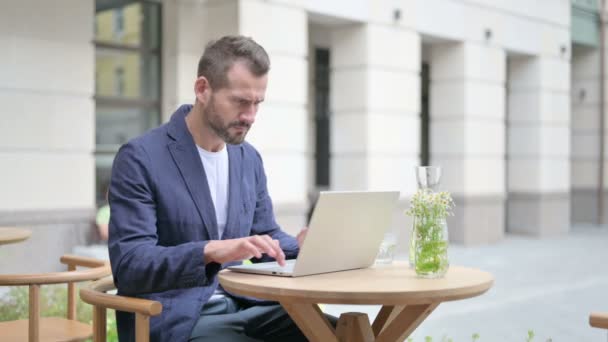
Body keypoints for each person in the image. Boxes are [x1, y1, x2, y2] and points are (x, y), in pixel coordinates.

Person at [108, 35, 333, 342]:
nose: (250, 116)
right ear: (203, 89)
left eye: (257, 103)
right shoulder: (141, 158)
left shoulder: (247, 158)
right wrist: (209, 251)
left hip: (248, 305)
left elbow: (264, 234)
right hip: (178, 316)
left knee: (341, 332)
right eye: (240, 101)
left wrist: (304, 246)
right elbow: (131, 265)